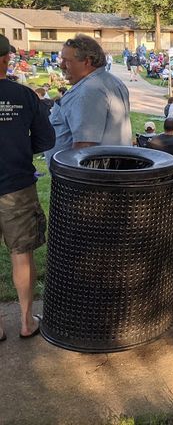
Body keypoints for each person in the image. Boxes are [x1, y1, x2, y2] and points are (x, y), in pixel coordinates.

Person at [0, 33, 55, 339]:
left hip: (15, 184)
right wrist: (20, 150)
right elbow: (47, 140)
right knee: (21, 255)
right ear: (8, 60)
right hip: (17, 186)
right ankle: (25, 321)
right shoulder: (24, 96)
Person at [46, 35, 132, 165]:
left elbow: (84, 146)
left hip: (89, 179)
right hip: (109, 173)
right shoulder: (112, 81)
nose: (61, 65)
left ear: (87, 61)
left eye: (66, 60)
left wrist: (71, 177)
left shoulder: (89, 90)